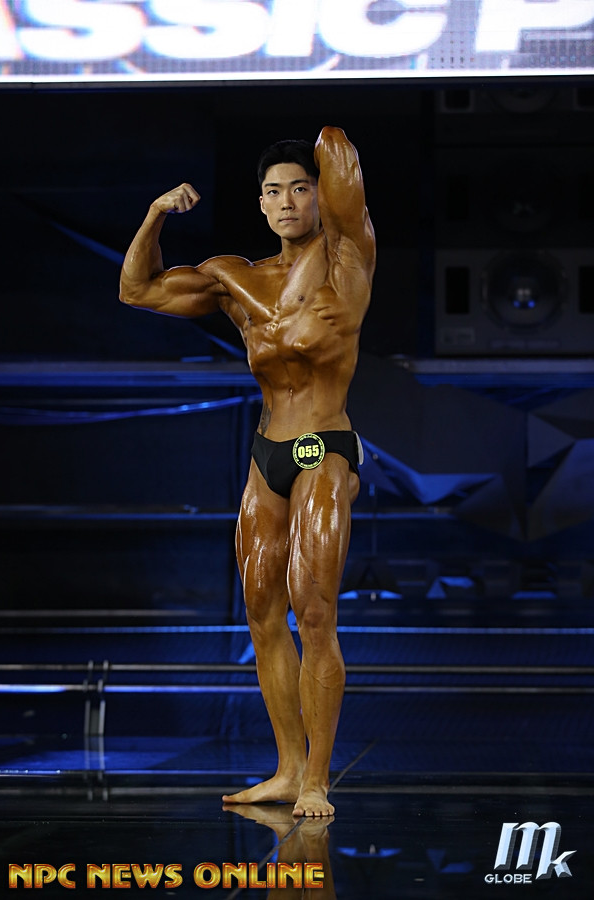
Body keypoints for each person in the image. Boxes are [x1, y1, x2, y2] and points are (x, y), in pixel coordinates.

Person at [119, 126, 376, 817]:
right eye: (274, 191)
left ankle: (317, 779)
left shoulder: (346, 261)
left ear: (317, 198)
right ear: (260, 204)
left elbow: (343, 171)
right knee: (262, 614)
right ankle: (287, 769)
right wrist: (156, 214)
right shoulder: (235, 278)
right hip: (268, 453)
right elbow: (136, 290)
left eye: (300, 189)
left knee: (313, 610)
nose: (287, 201)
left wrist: (324, 139)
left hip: (323, 445)